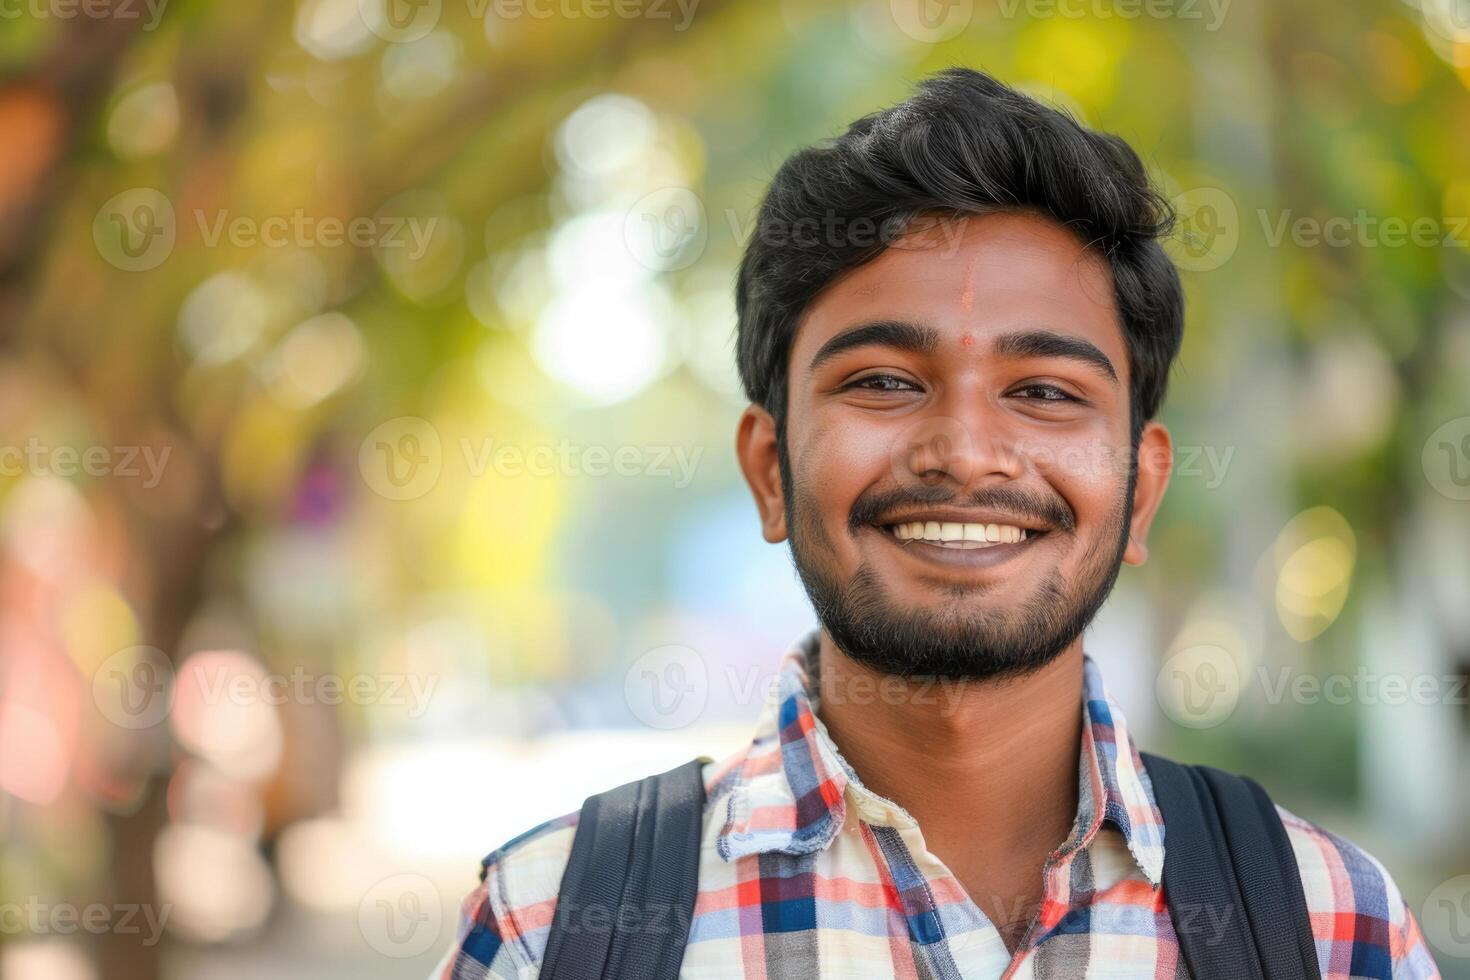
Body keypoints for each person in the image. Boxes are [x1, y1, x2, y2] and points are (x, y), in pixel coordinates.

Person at [432, 67, 1440, 978]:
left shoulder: (1329, 928)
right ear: (769, 468)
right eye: (881, 380)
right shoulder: (552, 926)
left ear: (1141, 487)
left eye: (1044, 389)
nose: (964, 449)